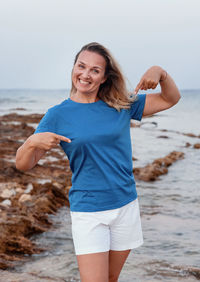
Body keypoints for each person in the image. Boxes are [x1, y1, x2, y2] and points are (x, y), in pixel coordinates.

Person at [15, 42, 181, 282]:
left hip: (125, 205)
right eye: (81, 66)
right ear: (73, 68)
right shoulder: (57, 115)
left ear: (104, 77)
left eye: (95, 70)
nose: (85, 74)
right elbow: (23, 165)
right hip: (89, 211)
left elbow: (170, 99)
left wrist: (160, 72)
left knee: (111, 279)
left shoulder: (121, 105)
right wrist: (31, 142)